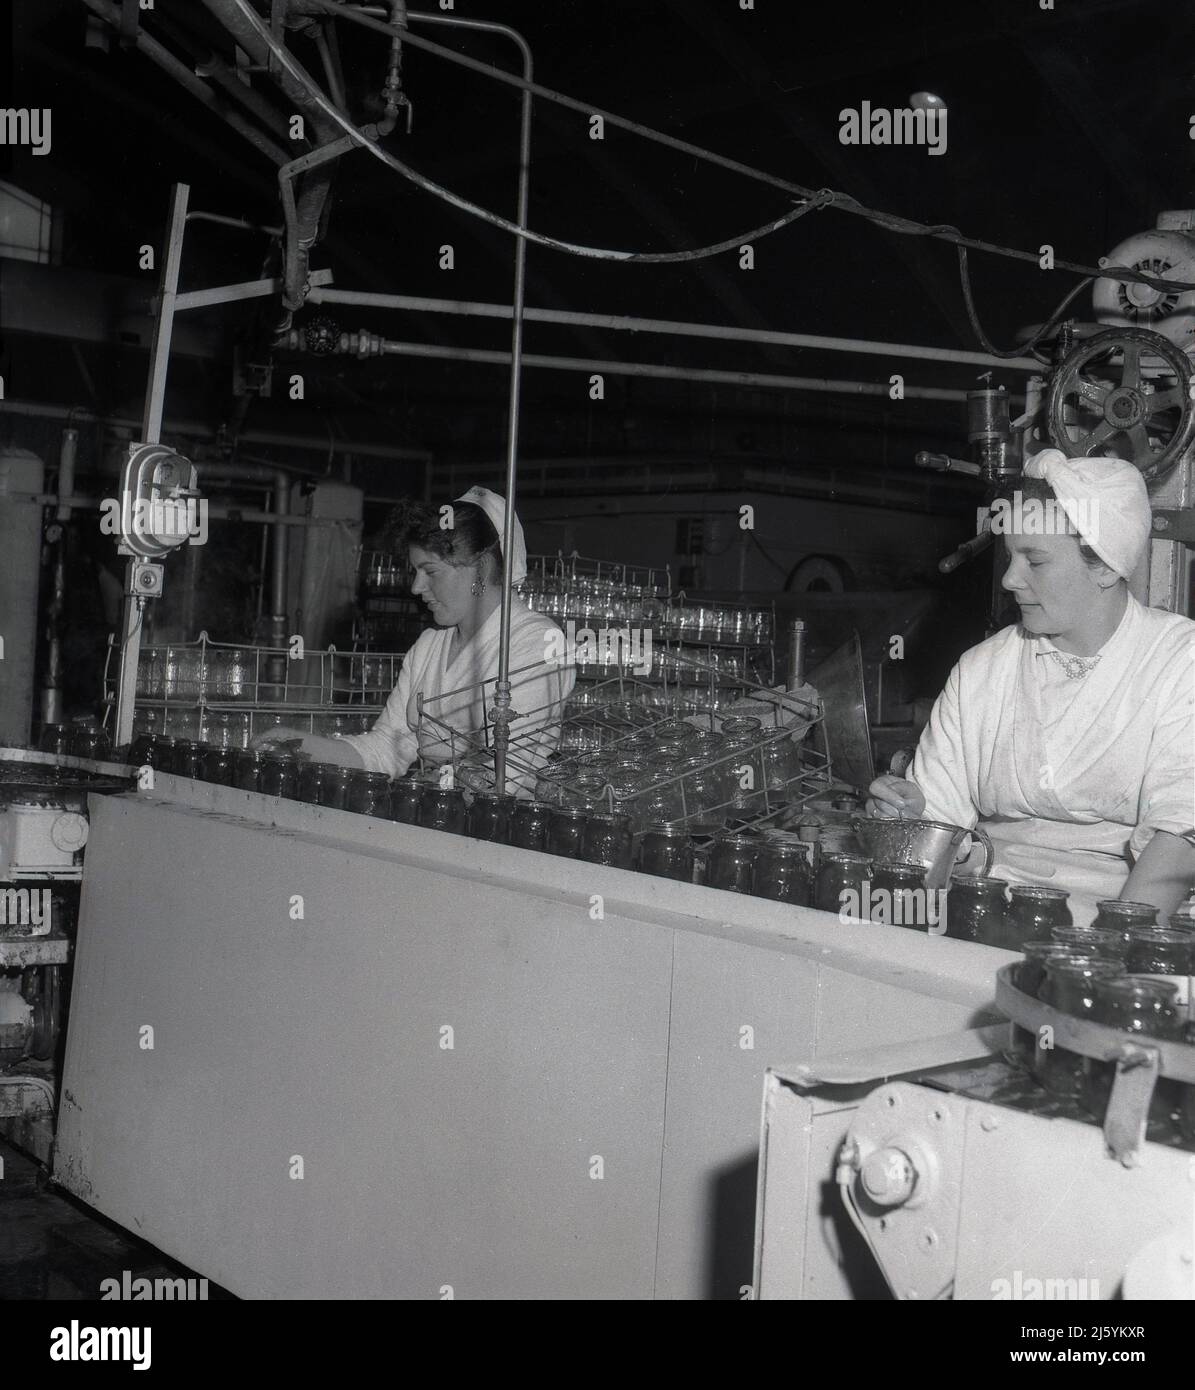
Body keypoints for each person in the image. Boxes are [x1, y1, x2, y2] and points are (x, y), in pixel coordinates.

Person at [867, 449, 1195, 926]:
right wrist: (908, 820)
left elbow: (1179, 841)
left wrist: (1103, 959)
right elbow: (936, 845)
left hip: (1139, 927)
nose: (1008, 578)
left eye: (1034, 560)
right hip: (994, 912)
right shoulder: (983, 669)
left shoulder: (1179, 660)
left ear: (1103, 566)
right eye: (1009, 556)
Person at [255, 487, 575, 794]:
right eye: (415, 571)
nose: (416, 587)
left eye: (430, 572)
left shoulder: (537, 643)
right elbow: (388, 747)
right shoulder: (430, 645)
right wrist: (301, 745)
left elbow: (506, 774)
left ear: (483, 567)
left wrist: (431, 784)